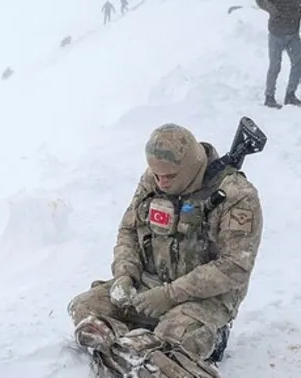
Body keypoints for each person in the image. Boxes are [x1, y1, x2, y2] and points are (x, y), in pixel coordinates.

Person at [67, 124, 264, 377]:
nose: (161, 182)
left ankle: (145, 348)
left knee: (168, 346)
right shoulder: (155, 177)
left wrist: (170, 294)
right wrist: (125, 274)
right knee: (84, 307)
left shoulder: (237, 196)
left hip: (201, 300)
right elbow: (129, 230)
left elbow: (235, 267)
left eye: (169, 177)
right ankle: (132, 348)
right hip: (147, 285)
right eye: (157, 175)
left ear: (191, 167)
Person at [256, 0, 301, 108]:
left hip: (293, 33)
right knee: (275, 66)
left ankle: (290, 95)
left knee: (298, 63)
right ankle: (269, 96)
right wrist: (273, 10)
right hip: (276, 32)